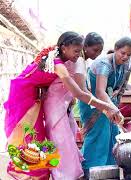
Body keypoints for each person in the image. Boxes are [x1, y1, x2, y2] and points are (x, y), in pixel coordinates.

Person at [4, 31, 123, 180]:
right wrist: (107, 107)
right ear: (64, 47)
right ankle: (28, 174)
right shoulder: (59, 65)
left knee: (37, 137)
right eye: (76, 51)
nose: (78, 55)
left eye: (80, 52)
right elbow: (79, 93)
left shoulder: (57, 56)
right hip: (23, 96)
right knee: (28, 136)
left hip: (31, 94)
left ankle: (37, 173)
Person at [44, 32, 105, 179]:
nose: (96, 54)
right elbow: (80, 91)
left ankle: (69, 174)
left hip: (62, 105)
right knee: (62, 143)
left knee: (67, 141)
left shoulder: (72, 59)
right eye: (95, 50)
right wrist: (106, 107)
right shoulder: (75, 61)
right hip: (55, 105)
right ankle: (65, 176)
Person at [79, 37, 131, 178]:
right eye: (122, 53)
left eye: (129, 54)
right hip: (93, 104)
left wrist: (115, 107)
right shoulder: (104, 64)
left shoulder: (126, 65)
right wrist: (112, 109)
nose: (125, 57)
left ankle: (108, 172)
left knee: (111, 135)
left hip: (110, 103)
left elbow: (119, 89)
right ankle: (91, 171)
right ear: (116, 49)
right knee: (98, 135)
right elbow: (99, 91)